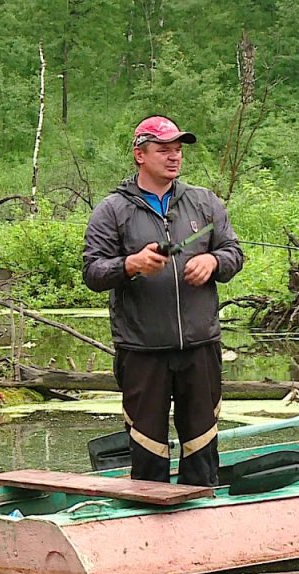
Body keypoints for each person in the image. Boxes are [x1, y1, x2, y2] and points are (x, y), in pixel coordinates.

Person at [82, 115, 244, 486]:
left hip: (200, 346)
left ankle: (202, 522)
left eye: (178, 150)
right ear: (140, 155)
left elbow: (234, 252)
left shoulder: (204, 203)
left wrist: (214, 260)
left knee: (203, 451)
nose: (174, 157)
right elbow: (92, 272)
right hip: (142, 351)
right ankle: (149, 530)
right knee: (148, 451)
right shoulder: (113, 210)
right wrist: (130, 264)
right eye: (163, 150)